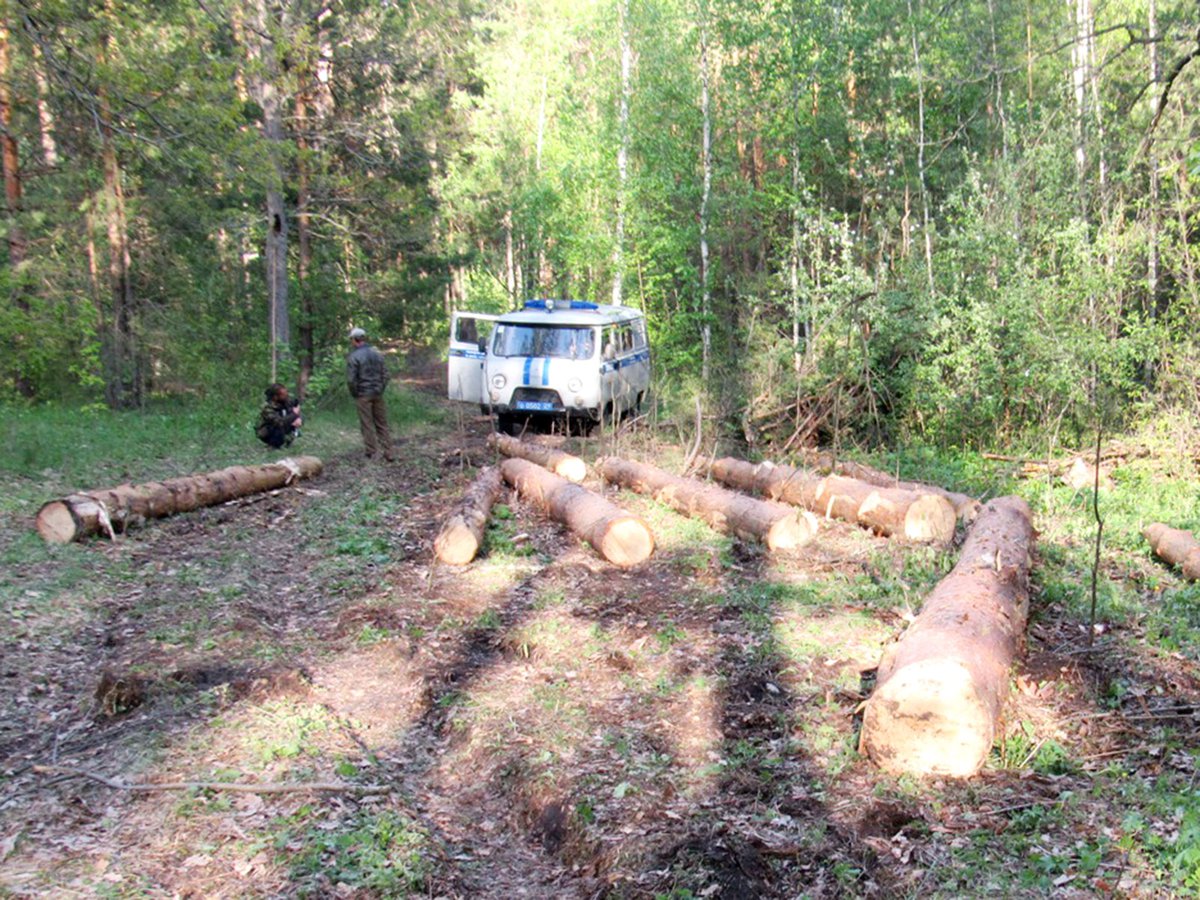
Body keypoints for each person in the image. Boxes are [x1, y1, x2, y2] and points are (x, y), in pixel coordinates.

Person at [346, 327, 394, 461]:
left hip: (363, 394)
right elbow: (386, 375)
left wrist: (355, 393)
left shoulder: (354, 356)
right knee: (382, 423)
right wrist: (380, 388)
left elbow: (351, 380)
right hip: (378, 393)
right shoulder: (377, 354)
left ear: (355, 340)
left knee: (367, 423)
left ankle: (372, 452)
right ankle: (388, 452)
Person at [256, 383, 302, 449]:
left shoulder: (286, 402)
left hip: (283, 428)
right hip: (267, 432)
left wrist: (298, 419)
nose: (287, 396)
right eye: (283, 395)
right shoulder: (268, 408)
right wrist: (294, 414)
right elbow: (279, 422)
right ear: (275, 397)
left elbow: (296, 406)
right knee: (278, 427)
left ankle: (287, 441)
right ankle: (273, 445)